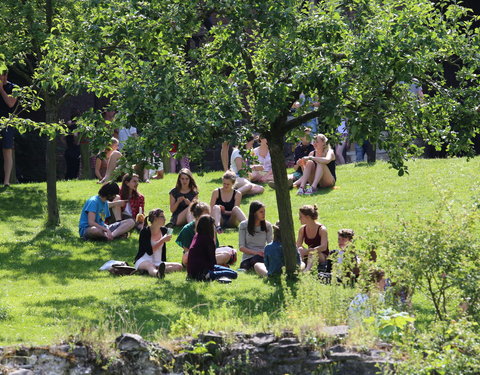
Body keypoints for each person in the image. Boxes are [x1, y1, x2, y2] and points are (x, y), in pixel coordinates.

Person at [176, 201, 237, 267]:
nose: (209, 217)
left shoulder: (211, 227)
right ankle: (214, 264)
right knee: (186, 257)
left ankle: (207, 264)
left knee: (226, 254)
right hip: (194, 257)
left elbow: (214, 247)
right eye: (206, 215)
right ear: (197, 216)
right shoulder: (187, 229)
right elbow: (188, 251)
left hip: (208, 255)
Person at [134, 208, 183, 278]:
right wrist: (162, 240)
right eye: (162, 217)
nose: (165, 219)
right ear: (155, 218)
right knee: (150, 266)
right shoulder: (145, 232)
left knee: (179, 266)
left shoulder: (163, 230)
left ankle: (150, 271)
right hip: (144, 260)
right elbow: (149, 251)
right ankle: (157, 274)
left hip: (158, 261)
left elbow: (170, 228)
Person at [187, 215, 238, 282]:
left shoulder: (197, 235)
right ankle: (209, 276)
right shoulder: (208, 240)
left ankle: (216, 276)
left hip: (192, 271)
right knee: (234, 274)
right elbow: (212, 261)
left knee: (229, 270)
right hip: (202, 272)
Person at [238, 201, 272, 276]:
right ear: (254, 213)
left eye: (264, 212)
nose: (264, 214)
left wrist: (264, 254)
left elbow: (270, 244)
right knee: (245, 264)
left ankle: (259, 268)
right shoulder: (243, 225)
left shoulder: (268, 226)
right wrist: (255, 253)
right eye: (261, 212)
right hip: (247, 257)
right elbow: (241, 247)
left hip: (261, 255)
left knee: (256, 259)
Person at [296, 204, 329, 272]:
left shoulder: (322, 229)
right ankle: (299, 268)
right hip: (309, 254)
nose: (299, 219)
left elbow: (323, 247)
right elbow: (298, 244)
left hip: (321, 255)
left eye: (301, 217)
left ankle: (307, 271)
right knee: (299, 249)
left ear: (307, 217)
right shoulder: (302, 229)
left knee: (312, 253)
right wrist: (303, 250)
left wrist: (309, 251)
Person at [0, 69, 18, 187]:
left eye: (3, 74)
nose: (3, 77)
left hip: (7, 122)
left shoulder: (14, 88)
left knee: (7, 150)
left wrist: (0, 89)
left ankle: (7, 181)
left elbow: (10, 103)